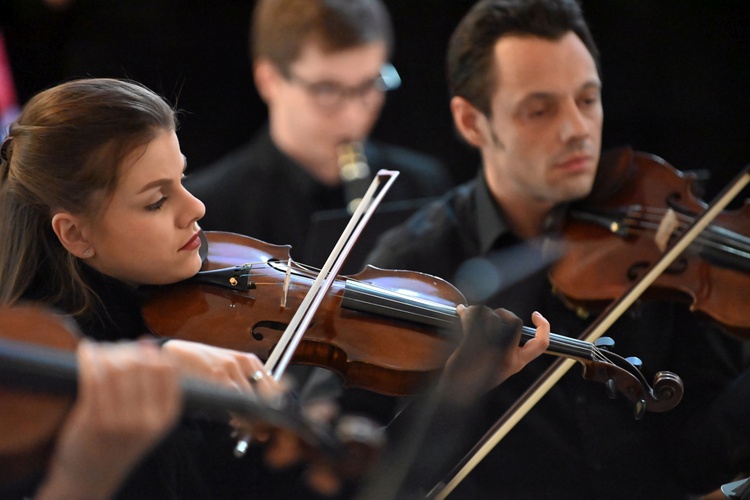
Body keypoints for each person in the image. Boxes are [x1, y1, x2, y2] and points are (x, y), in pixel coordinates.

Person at [0, 77, 550, 499]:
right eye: (155, 200)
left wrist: (454, 390)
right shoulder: (30, 396)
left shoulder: (190, 319)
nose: (196, 208)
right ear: (75, 233)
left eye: (183, 179)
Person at [365, 0, 750, 498]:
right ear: (471, 122)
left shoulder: (670, 247)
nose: (577, 130)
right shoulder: (416, 262)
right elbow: (360, 468)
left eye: (588, 100)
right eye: (540, 109)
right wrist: (450, 396)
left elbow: (700, 457)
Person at [184, 0, 453, 275]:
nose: (353, 115)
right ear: (269, 80)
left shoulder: (424, 186)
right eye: (326, 89)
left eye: (370, 84)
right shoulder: (209, 209)